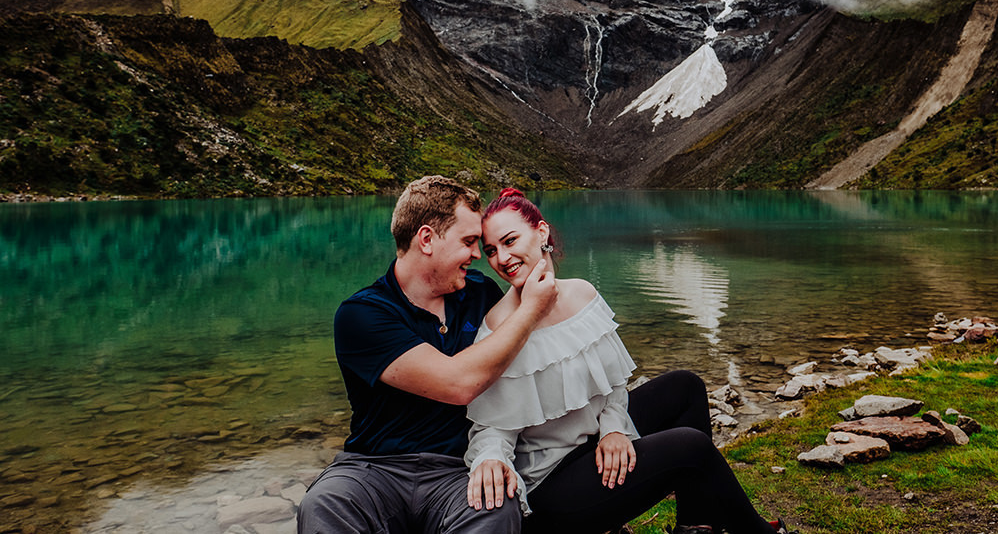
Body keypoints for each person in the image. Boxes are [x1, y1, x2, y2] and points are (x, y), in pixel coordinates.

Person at [464, 188, 789, 534]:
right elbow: (491, 427)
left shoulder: (583, 293)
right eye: (491, 251)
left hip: (594, 447)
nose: (502, 258)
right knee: (691, 447)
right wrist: (490, 459)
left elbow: (614, 385)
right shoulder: (498, 325)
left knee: (687, 387)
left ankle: (694, 526)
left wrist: (614, 429)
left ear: (541, 233)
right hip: (552, 485)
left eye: (510, 241)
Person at [297, 176, 558, 534]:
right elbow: (457, 384)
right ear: (427, 239)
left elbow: (537, 354)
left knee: (496, 505)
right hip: (374, 468)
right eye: (468, 242)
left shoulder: (481, 294)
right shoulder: (362, 314)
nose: (478, 255)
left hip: (457, 467)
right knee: (325, 503)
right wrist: (531, 310)